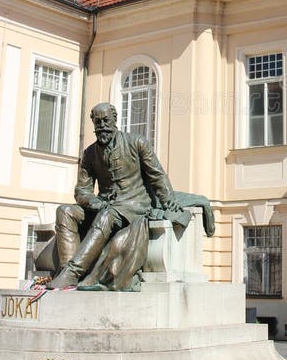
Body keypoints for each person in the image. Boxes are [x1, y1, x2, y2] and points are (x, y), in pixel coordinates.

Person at [49, 102, 189, 291]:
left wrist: (169, 202)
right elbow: (81, 191)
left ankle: (74, 272)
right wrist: (94, 202)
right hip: (103, 207)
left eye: (106, 120)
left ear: (115, 120)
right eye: (98, 122)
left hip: (134, 206)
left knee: (107, 216)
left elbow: (157, 175)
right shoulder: (90, 153)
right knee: (65, 211)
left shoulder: (137, 142)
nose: (102, 126)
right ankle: (65, 272)